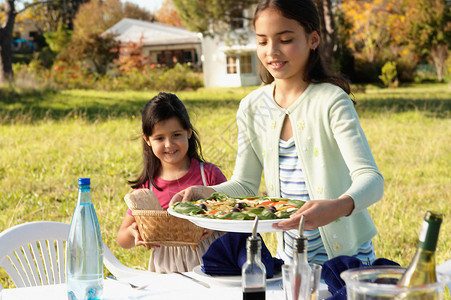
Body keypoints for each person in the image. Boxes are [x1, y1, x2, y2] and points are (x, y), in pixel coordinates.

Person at [170, 0, 384, 265]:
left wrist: (337, 207)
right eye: (262, 42)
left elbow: (371, 179)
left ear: (313, 39)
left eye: (284, 39)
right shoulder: (252, 106)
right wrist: (206, 193)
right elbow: (245, 184)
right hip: (291, 257)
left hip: (347, 257)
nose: (272, 51)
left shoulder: (331, 100)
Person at [117, 92, 227, 273]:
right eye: (159, 138)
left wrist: (214, 222)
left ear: (189, 132)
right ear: (147, 140)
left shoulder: (208, 175)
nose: (169, 144)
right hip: (166, 269)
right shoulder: (147, 188)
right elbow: (122, 238)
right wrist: (133, 233)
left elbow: (236, 213)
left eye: (176, 134)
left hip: (212, 262)